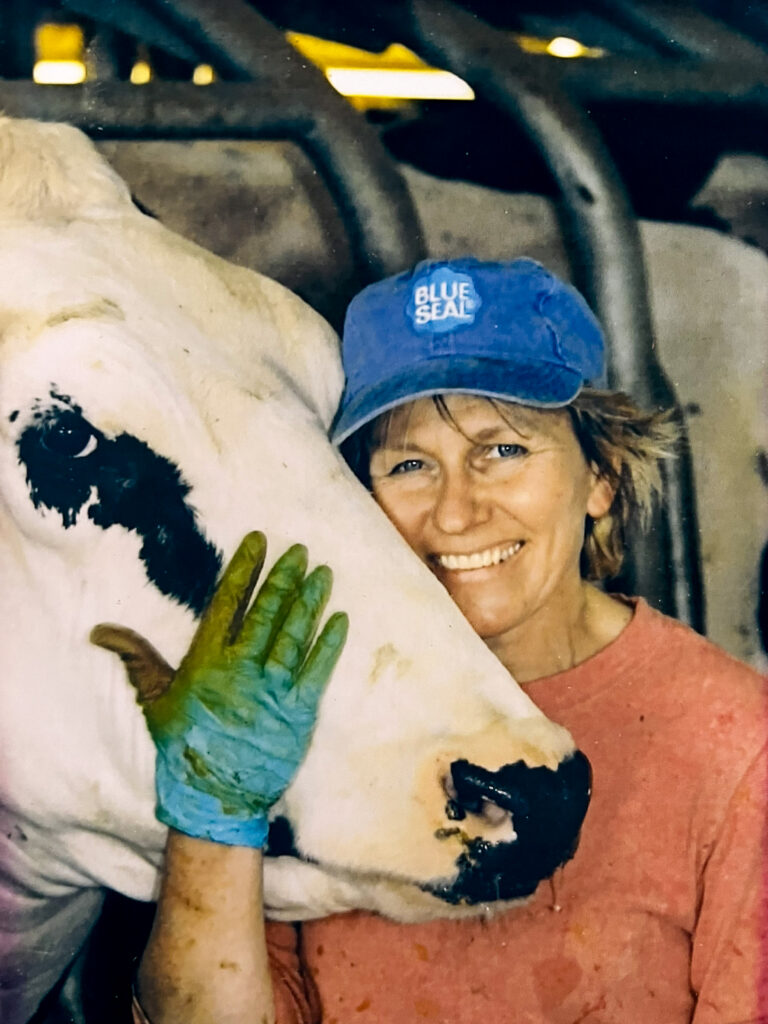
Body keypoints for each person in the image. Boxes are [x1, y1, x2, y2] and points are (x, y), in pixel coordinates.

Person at [116, 258, 767, 1023]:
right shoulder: (299, 706)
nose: (456, 514)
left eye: (504, 451)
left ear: (602, 478)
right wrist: (213, 820)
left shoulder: (735, 744)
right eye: (410, 464)